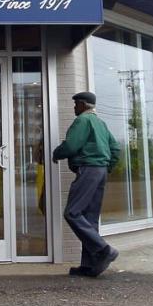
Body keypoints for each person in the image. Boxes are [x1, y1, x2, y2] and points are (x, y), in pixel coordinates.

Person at [52, 91, 121, 277]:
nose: (74, 108)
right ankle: (90, 265)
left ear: (83, 105)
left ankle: (104, 250)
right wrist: (107, 167)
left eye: (76, 105)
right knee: (89, 218)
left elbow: (71, 145)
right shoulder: (100, 123)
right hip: (100, 171)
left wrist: (56, 154)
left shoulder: (83, 121)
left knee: (72, 212)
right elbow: (115, 148)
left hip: (88, 169)